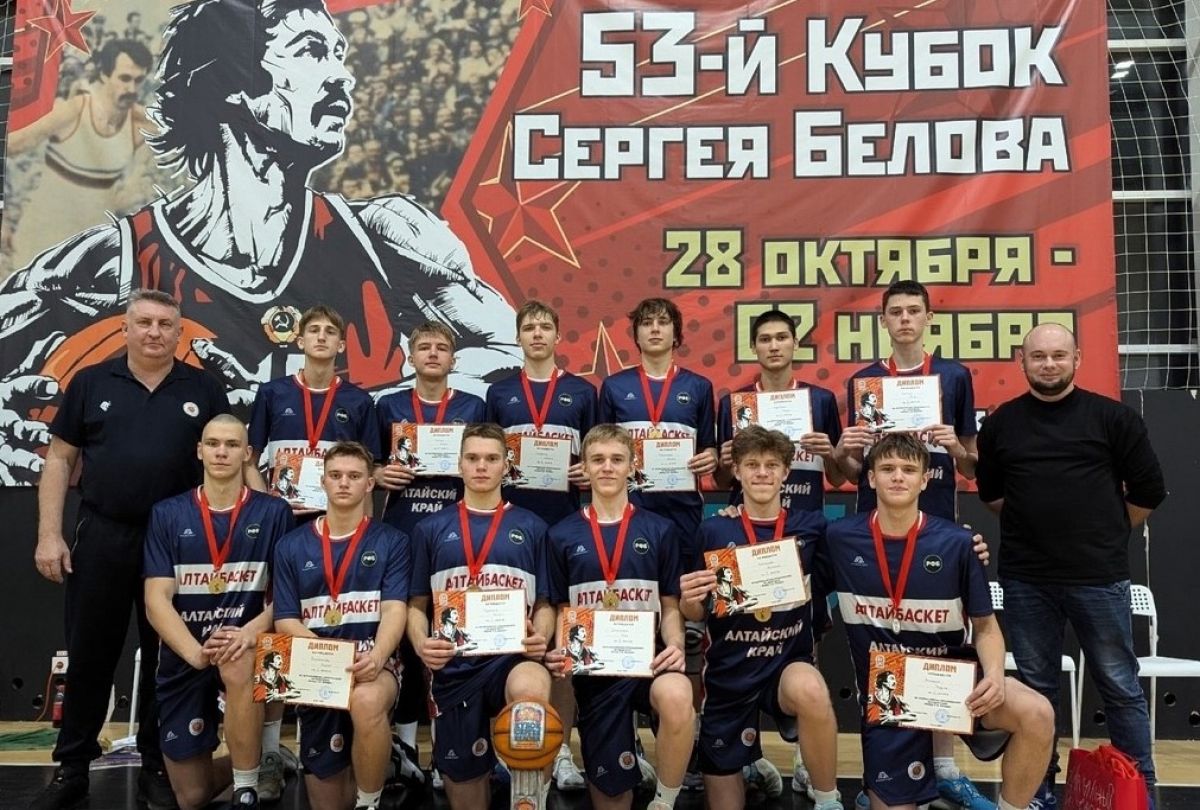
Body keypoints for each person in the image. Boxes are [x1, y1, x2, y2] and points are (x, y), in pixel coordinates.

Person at [0, 0, 520, 485]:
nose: (343, 75)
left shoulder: (387, 232)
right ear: (234, 83)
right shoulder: (116, 256)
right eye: (312, 51)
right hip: (203, 520)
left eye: (338, 54)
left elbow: (512, 351)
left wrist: (348, 401)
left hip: (358, 519)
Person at [30, 289, 230, 810]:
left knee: (170, 658)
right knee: (90, 654)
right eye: (144, 322)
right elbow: (59, 459)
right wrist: (49, 534)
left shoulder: (204, 389)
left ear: (179, 333)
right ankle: (72, 768)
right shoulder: (91, 382)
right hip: (104, 534)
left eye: (165, 324)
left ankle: (157, 764)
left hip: (179, 543)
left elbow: (230, 462)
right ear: (125, 328)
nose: (154, 332)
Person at [976, 323, 1167, 806]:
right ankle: (1037, 789)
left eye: (1059, 355)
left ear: (1077, 359)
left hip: (1098, 578)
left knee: (1120, 686)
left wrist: (1105, 532)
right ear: (1022, 361)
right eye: (1038, 356)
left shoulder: (1114, 419)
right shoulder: (1001, 424)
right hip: (1026, 580)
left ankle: (1139, 790)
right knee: (1036, 693)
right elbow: (993, 495)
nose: (1049, 364)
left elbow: (1148, 492)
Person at [828, 433, 1055, 810]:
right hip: (891, 692)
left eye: (908, 469)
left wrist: (995, 674)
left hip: (951, 683)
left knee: (1037, 712)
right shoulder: (839, 537)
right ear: (870, 478)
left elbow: (986, 628)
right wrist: (732, 519)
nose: (897, 477)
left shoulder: (957, 543)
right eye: (887, 468)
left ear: (925, 479)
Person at [835, 280, 987, 810]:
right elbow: (852, 472)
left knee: (941, 645)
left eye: (913, 311)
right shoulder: (863, 381)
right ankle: (880, 776)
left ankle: (943, 768)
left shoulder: (954, 376)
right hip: (876, 532)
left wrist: (954, 447)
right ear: (883, 320)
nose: (904, 319)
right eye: (895, 312)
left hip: (938, 526)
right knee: (874, 650)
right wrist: (844, 450)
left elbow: (972, 465)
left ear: (928, 318)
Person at [680, 426, 843, 810]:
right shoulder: (714, 529)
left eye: (772, 465)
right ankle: (748, 767)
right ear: (736, 471)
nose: (762, 473)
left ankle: (828, 801)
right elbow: (695, 613)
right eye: (752, 464)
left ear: (786, 472)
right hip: (728, 674)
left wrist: (968, 547)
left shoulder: (812, 527)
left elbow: (868, 548)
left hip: (786, 666)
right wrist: (689, 600)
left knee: (812, 689)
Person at [143, 414, 294, 809]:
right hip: (189, 652)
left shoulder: (274, 512)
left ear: (247, 454)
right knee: (192, 797)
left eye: (231, 444)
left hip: (248, 645)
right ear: (200, 451)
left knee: (241, 661)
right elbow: (156, 600)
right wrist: (195, 654)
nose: (221, 452)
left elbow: (288, 598)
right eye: (213, 444)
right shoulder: (168, 514)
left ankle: (246, 789)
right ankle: (267, 758)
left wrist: (248, 633)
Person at [546, 424, 694, 810]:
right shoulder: (561, 535)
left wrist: (676, 644)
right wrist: (561, 648)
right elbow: (561, 609)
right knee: (612, 798)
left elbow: (670, 605)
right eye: (598, 460)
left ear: (633, 465)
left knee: (678, 695)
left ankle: (664, 801)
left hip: (648, 664)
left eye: (617, 459)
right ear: (584, 467)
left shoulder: (660, 530)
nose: (607, 467)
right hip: (595, 672)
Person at [407, 423, 554, 810]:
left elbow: (544, 603)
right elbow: (416, 605)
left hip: (513, 657)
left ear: (507, 465)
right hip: (454, 664)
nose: (482, 466)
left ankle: (527, 797)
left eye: (491, 458)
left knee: (531, 691)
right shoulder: (430, 529)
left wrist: (540, 636)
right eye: (472, 458)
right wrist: (421, 644)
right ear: (459, 464)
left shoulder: (533, 527)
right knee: (465, 789)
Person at [484, 299, 596, 791]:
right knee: (503, 633)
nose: (537, 334)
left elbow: (600, 451)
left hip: (566, 526)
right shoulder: (499, 392)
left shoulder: (582, 391)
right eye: (528, 327)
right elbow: (488, 451)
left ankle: (563, 748)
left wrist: (585, 469)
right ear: (518, 336)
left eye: (545, 326)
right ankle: (502, 742)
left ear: (557, 336)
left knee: (560, 642)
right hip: (510, 529)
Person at [271, 441, 411, 810]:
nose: (344, 483)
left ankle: (370, 802)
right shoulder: (290, 546)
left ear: (370, 484)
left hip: (373, 663)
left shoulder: (393, 541)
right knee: (330, 802)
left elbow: (395, 610)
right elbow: (285, 620)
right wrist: (330, 657)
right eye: (335, 475)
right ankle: (388, 763)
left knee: (366, 701)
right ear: (322, 481)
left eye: (354, 476)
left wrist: (377, 656)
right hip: (318, 667)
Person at [375, 321, 486, 776]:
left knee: (452, 633)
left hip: (457, 533)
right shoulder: (388, 406)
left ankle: (449, 742)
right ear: (411, 356)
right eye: (424, 347)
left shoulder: (474, 406)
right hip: (403, 530)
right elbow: (369, 463)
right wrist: (379, 473)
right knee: (406, 636)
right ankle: (404, 743)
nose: (434, 354)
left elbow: (487, 458)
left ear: (454, 359)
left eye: (442, 347)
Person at [3, 38, 156, 271]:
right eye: (125, 79)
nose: (132, 89)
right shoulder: (73, 110)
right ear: (104, 75)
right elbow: (10, 146)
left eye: (138, 80)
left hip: (89, 251)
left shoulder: (138, 124)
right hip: (41, 241)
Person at [598, 297, 717, 547]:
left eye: (663, 322)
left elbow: (708, 446)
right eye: (646, 323)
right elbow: (600, 448)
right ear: (636, 336)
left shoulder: (699, 386)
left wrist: (711, 456)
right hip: (629, 505)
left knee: (683, 573)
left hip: (683, 509)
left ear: (676, 335)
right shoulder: (614, 386)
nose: (654, 328)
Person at [247, 305, 379, 514]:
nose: (321, 337)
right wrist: (269, 508)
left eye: (330, 332)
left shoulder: (359, 401)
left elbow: (366, 470)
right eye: (314, 330)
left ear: (341, 346)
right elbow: (249, 462)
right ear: (300, 341)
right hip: (284, 514)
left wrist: (366, 524)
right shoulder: (271, 393)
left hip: (338, 515)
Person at [715, 308, 846, 513]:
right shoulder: (734, 404)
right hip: (748, 519)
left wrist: (829, 454)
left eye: (782, 338)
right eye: (765, 340)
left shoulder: (821, 400)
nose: (774, 347)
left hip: (805, 518)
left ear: (795, 343)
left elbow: (838, 480)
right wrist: (724, 464)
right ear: (753, 347)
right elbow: (722, 483)